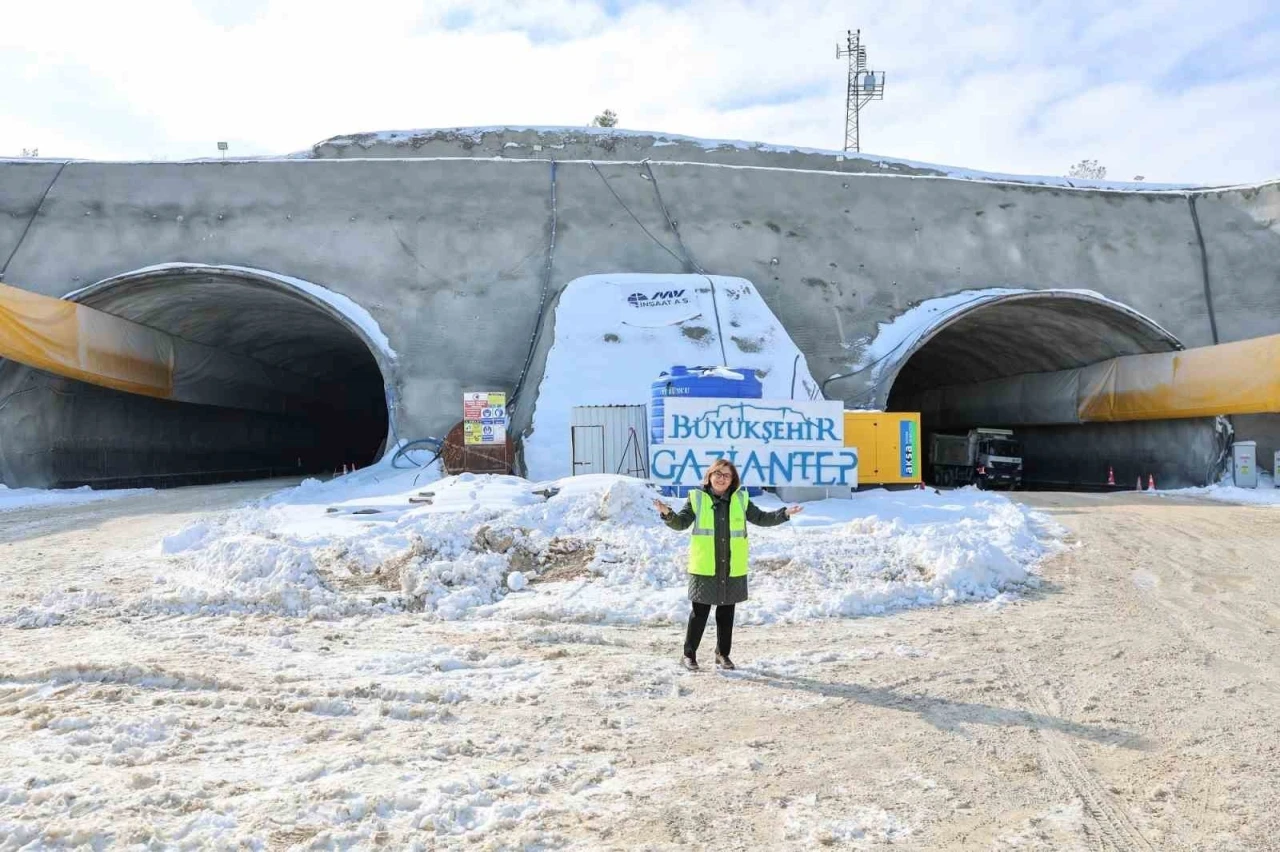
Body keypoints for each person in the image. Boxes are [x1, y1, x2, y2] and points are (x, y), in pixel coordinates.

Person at [653, 459, 802, 671]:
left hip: (732, 566)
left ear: (733, 479)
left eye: (727, 475)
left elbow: (760, 518)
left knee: (726, 613)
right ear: (709, 476)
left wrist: (784, 514)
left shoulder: (741, 499)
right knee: (699, 613)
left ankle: (722, 654)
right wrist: (667, 514)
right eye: (718, 474)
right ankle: (688, 655)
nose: (722, 478)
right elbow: (681, 523)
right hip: (705, 566)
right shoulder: (697, 498)